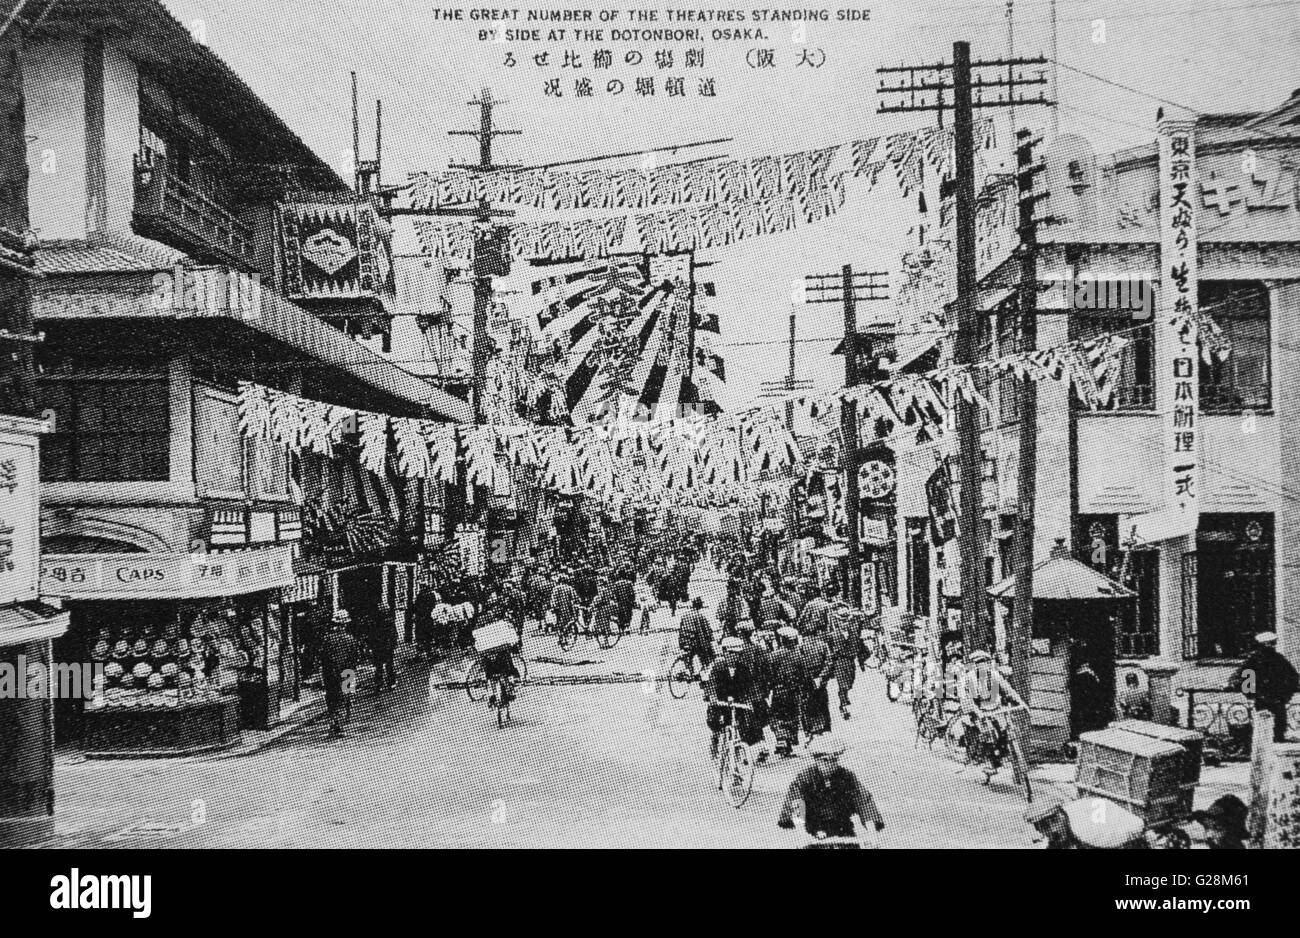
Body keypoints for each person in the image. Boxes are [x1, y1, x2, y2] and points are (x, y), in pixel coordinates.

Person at [777, 735, 885, 846]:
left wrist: (872, 834)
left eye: (834, 760)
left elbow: (864, 803)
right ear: (816, 760)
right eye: (824, 760)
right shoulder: (804, 778)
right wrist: (801, 834)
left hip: (843, 830)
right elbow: (796, 803)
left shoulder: (847, 777)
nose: (829, 765)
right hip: (813, 831)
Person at [958, 651, 1027, 768]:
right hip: (980, 711)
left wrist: (1021, 702)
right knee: (988, 734)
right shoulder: (970, 678)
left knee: (1006, 731)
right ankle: (986, 760)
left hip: (996, 709)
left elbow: (1008, 690)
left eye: (983, 662)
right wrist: (977, 712)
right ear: (974, 665)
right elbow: (968, 699)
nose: (981, 665)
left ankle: (1002, 757)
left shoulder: (995, 676)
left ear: (988, 663)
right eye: (978, 663)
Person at [1233, 631, 1299, 743]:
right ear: (1264, 644)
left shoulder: (1277, 659)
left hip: (1273, 700)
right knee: (1266, 730)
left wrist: (1285, 694)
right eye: (1271, 643)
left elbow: (1292, 678)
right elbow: (1242, 677)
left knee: (1275, 729)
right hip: (1265, 700)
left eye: (1273, 643)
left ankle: (1274, 751)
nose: (1273, 646)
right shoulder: (1255, 660)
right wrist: (1251, 694)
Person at [708, 637, 763, 753]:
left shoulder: (743, 668)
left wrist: (750, 700)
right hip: (720, 702)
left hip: (738, 702)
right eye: (731, 653)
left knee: (746, 723)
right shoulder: (717, 667)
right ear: (724, 652)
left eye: (737, 654)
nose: (734, 657)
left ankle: (746, 749)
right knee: (715, 720)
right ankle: (716, 738)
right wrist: (712, 697)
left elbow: (750, 686)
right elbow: (711, 684)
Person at [319, 609, 362, 736]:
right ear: (345, 625)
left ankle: (334, 720)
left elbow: (322, 657)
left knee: (332, 696)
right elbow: (355, 657)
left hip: (330, 672)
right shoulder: (351, 639)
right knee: (346, 695)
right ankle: (343, 720)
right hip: (348, 672)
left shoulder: (327, 639)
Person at [736, 621, 773, 761]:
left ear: (740, 635)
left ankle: (749, 751)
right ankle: (761, 747)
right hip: (758, 693)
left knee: (744, 724)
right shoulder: (759, 650)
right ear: (751, 634)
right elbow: (767, 672)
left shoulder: (736, 652)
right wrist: (766, 689)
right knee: (759, 721)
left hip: (742, 694)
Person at [769, 627, 805, 757]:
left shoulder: (774, 655)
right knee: (793, 716)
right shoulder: (799, 655)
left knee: (777, 715)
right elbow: (803, 675)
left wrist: (770, 687)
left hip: (778, 690)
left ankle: (781, 738)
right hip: (794, 691)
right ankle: (788, 742)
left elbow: (769, 674)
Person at [797, 623, 834, 742]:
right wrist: (821, 677)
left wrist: (809, 678)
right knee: (823, 703)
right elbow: (829, 662)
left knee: (807, 705)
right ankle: (825, 729)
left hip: (807, 681)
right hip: (820, 681)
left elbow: (800, 665)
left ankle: (810, 731)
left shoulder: (801, 647)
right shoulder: (823, 645)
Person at [825, 601, 858, 721]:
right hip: (840, 660)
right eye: (841, 620)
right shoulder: (833, 634)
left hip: (850, 660)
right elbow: (830, 648)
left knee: (850, 682)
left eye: (846, 620)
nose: (844, 622)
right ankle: (843, 704)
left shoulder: (853, 630)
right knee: (843, 683)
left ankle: (845, 696)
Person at [678, 597, 716, 673]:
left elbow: (681, 630)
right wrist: (711, 639)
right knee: (706, 654)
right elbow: (706, 631)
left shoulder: (685, 615)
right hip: (694, 642)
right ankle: (704, 670)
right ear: (700, 606)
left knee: (688, 658)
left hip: (684, 641)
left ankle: (690, 671)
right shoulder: (700, 616)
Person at [369, 603, 398, 694]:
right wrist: (393, 645)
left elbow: (371, 636)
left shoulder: (374, 623)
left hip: (378, 647)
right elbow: (394, 635)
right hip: (387, 647)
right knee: (389, 666)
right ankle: (391, 682)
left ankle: (379, 684)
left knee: (379, 667)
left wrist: (371, 646)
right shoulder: (390, 622)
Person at [612, 567, 636, 634]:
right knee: (628, 614)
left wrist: (615, 600)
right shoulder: (629, 583)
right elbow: (632, 593)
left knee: (620, 614)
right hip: (628, 601)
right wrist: (632, 600)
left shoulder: (616, 584)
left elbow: (614, 594)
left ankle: (621, 627)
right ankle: (627, 626)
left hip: (620, 602)